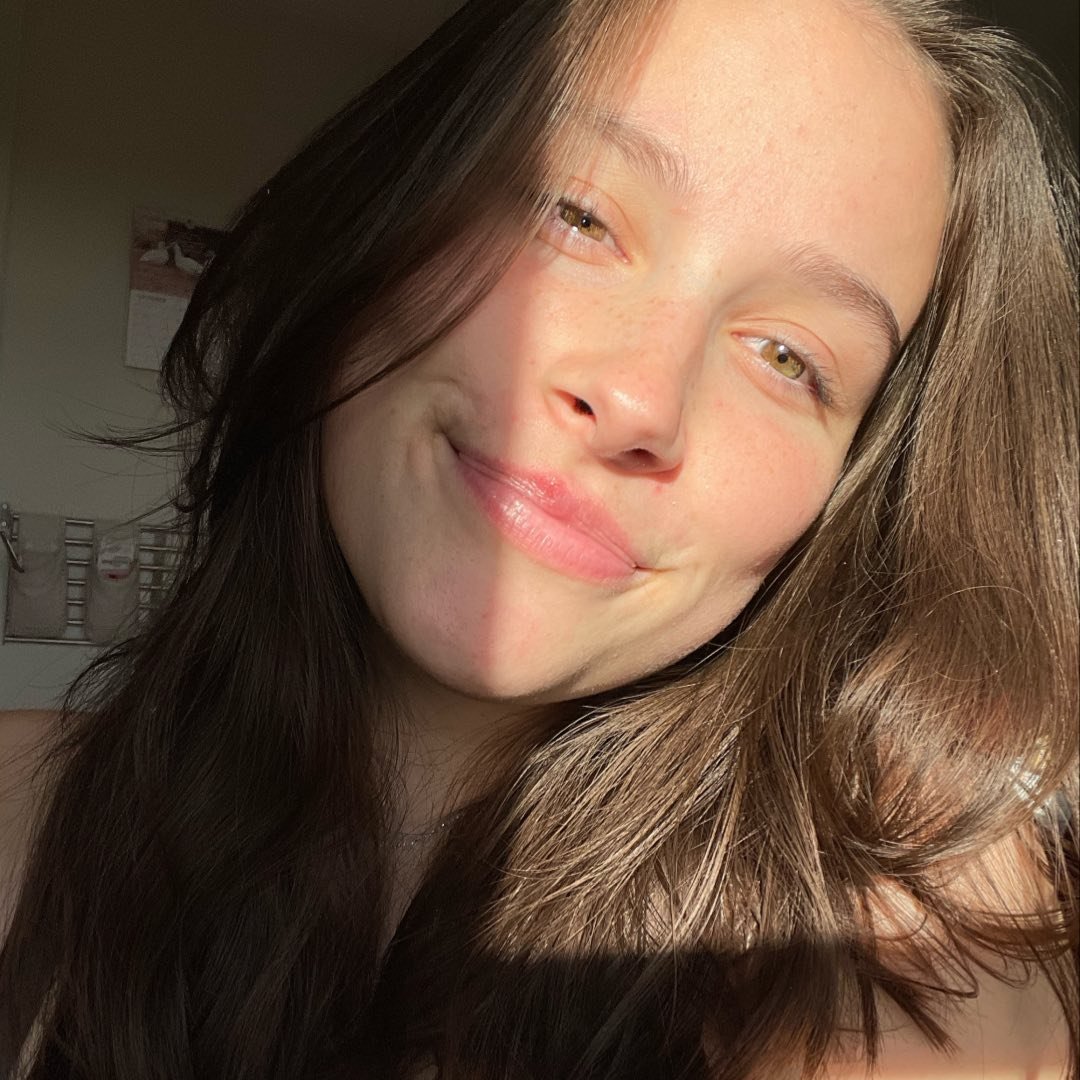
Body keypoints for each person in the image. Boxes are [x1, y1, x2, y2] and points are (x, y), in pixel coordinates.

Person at [0, 0, 1076, 1075]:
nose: (642, 398)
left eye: (789, 358)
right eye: (577, 215)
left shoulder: (887, 1003)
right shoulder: (23, 819)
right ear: (387, 209)